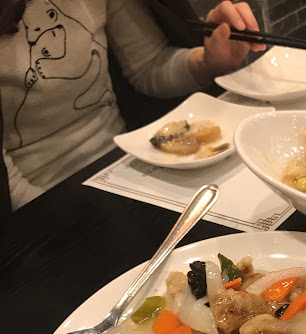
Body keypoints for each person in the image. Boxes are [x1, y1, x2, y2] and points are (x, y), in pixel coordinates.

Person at [0, 0, 265, 210]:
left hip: (125, 167)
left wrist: (208, 61)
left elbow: (149, 65)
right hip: (40, 200)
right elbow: (11, 187)